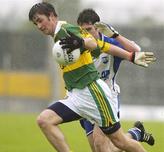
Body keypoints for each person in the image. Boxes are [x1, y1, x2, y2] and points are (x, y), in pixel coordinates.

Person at [28, 2, 156, 152]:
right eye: (36, 23)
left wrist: (81, 41)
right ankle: (136, 133)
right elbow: (100, 45)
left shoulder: (66, 30)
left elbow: (91, 43)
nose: (39, 26)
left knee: (118, 142)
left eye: (40, 20)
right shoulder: (57, 36)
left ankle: (135, 134)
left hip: (94, 94)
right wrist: (130, 56)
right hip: (76, 96)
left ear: (51, 16)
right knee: (44, 120)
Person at [77, 8, 155, 152]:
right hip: (86, 99)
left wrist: (115, 35)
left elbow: (136, 51)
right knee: (101, 148)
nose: (86, 34)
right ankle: (136, 134)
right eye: (83, 31)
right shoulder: (78, 47)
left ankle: (135, 136)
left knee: (101, 145)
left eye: (89, 29)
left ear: (98, 27)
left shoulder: (110, 43)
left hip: (107, 97)